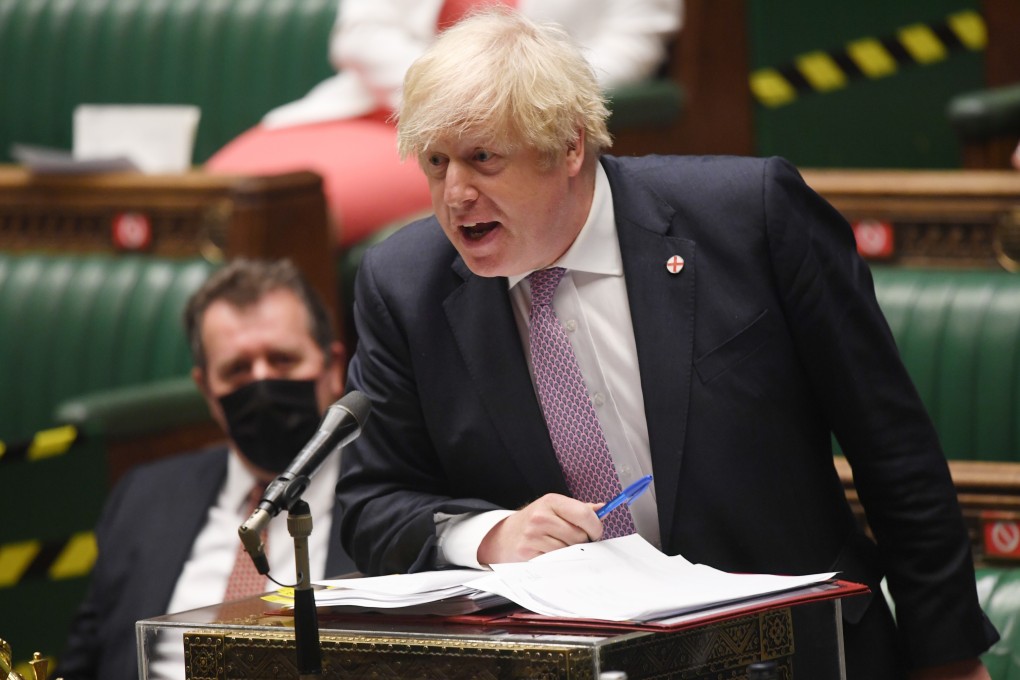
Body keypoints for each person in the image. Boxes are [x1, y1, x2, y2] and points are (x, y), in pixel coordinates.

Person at [335, 8, 999, 680]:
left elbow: (894, 450)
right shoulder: (405, 284)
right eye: (436, 161)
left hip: (794, 653)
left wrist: (947, 655)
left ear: (568, 146)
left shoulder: (750, 220)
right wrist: (489, 536)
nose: (455, 195)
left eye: (483, 158)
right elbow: (371, 503)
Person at [56, 259, 355, 680]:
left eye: (283, 360)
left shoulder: (385, 505)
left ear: (333, 368)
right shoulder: (144, 498)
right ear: (208, 392)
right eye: (237, 370)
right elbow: (83, 664)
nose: (262, 383)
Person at [205, 0, 682, 249]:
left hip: (499, 137)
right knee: (212, 193)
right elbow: (358, 34)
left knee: (277, 209)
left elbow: (636, 43)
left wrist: (504, 100)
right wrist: (445, 96)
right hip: (383, 104)